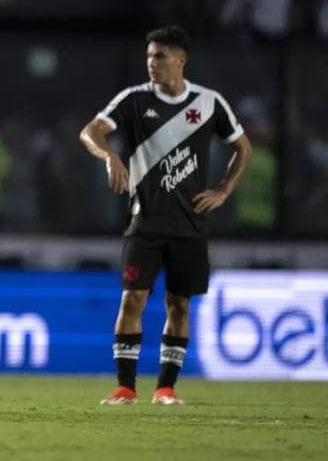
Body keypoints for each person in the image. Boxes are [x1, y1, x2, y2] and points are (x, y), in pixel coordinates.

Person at [79, 25, 252, 406]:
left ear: (180, 60)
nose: (151, 63)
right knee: (132, 300)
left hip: (190, 225)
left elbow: (243, 147)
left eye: (159, 56)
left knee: (180, 304)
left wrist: (223, 190)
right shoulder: (134, 100)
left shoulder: (208, 103)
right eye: (148, 56)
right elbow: (90, 131)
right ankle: (125, 387)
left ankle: (166, 389)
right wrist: (109, 155)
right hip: (146, 223)